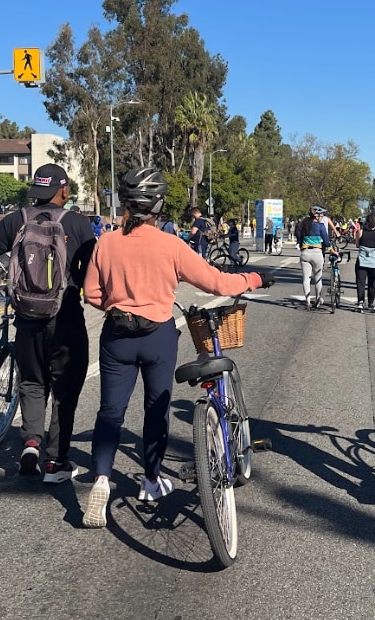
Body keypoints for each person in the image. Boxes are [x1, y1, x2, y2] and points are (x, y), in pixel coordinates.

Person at [81, 167, 274, 528]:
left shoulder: (105, 243)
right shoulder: (171, 244)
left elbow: (92, 293)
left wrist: (118, 303)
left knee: (110, 411)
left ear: (125, 203)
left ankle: (102, 479)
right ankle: (151, 480)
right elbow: (216, 282)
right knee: (156, 408)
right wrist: (255, 277)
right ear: (158, 205)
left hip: (117, 336)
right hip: (158, 336)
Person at [0, 164, 97, 482]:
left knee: (32, 382)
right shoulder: (77, 223)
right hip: (66, 317)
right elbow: (95, 267)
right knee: (65, 388)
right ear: (64, 191)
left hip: (27, 316)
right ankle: (55, 462)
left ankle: (31, 443)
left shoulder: (17, 220)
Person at [295, 205, 337, 310]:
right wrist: (332, 251)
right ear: (317, 216)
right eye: (321, 215)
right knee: (318, 278)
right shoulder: (320, 226)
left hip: (305, 253)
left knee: (306, 278)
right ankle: (318, 299)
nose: (322, 217)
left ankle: (308, 301)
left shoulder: (303, 225)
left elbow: (298, 236)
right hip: (317, 253)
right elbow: (326, 242)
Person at [355, 211, 375, 313]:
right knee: (372, 283)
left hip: (362, 261)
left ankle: (360, 302)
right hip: (374, 262)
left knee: (360, 282)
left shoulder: (361, 231)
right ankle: (370, 303)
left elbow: (357, 244)